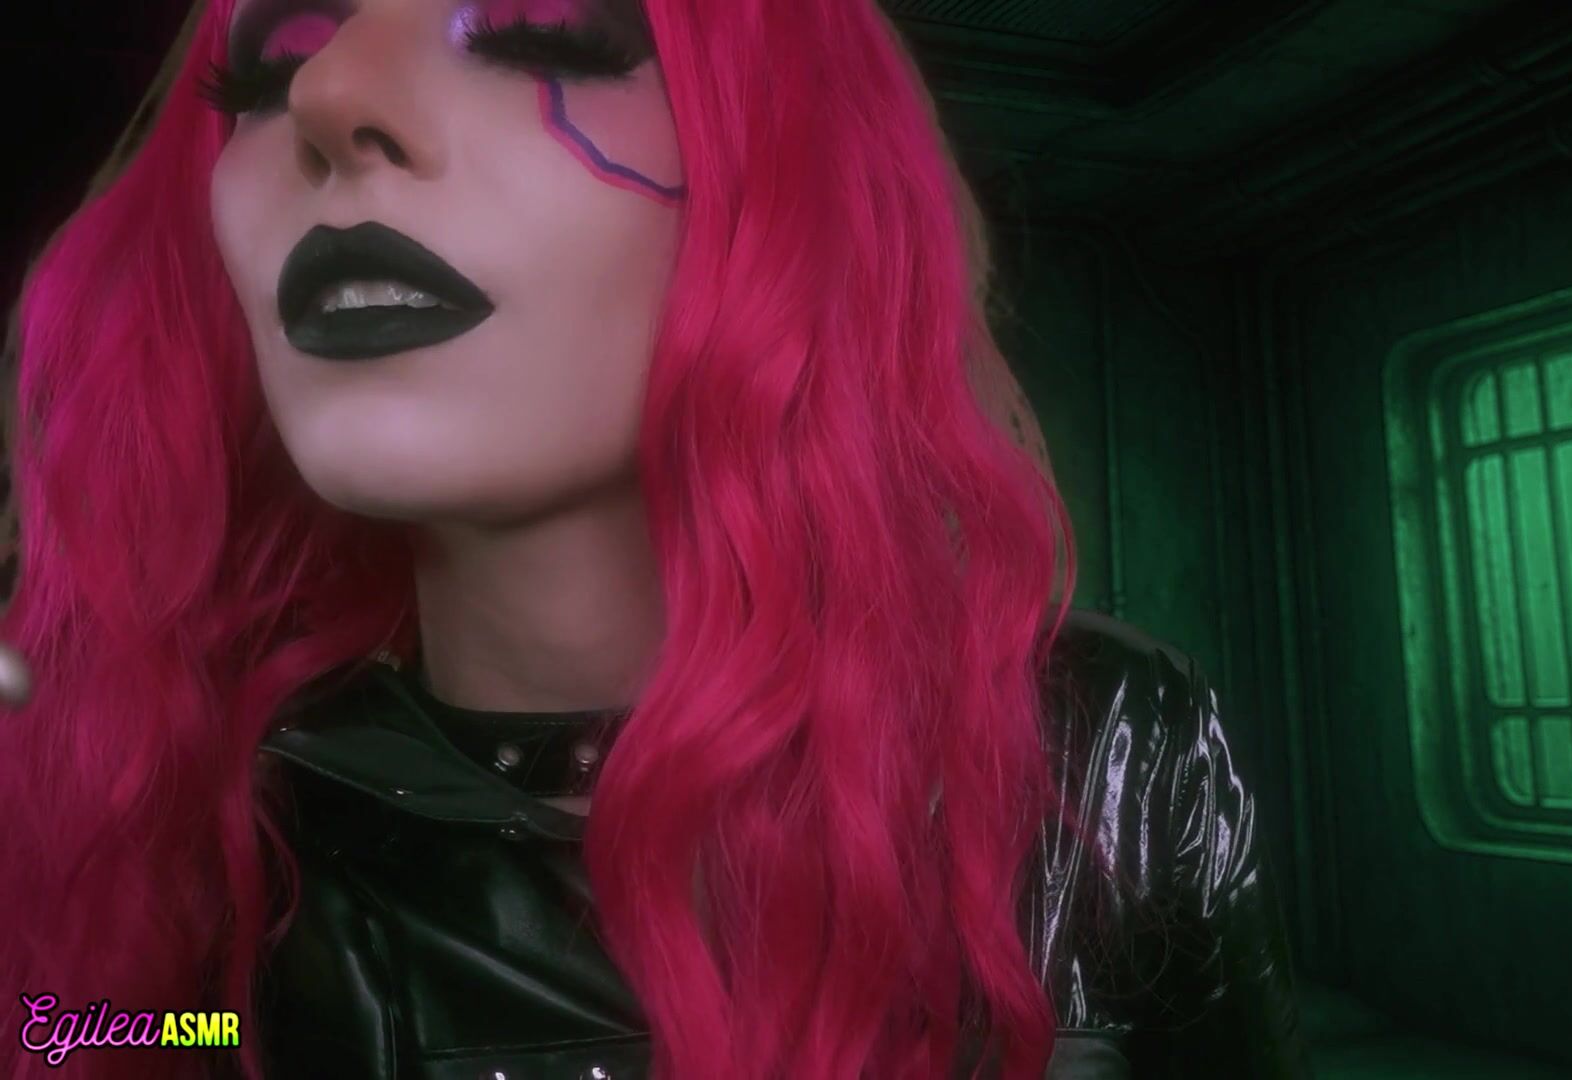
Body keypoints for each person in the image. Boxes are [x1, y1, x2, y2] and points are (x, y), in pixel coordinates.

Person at [0, 0, 1312, 1077]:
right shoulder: (219, 825)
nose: (328, 97)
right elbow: (116, 1031)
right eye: (266, 67)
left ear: (785, 188)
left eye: (539, 33)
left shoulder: (1105, 757)